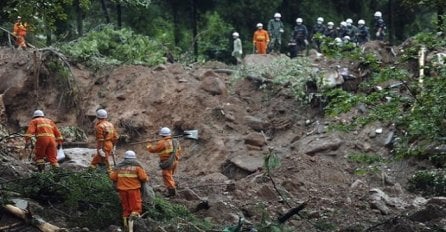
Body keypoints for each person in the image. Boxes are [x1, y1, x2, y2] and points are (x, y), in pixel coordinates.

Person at [109, 150, 149, 230]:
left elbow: (112, 177)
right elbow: (143, 178)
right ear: (134, 159)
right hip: (133, 191)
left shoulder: (119, 167)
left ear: (125, 158)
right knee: (135, 208)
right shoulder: (137, 167)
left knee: (126, 208)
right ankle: (133, 228)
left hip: (122, 191)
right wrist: (147, 177)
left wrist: (110, 171)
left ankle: (125, 226)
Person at [146, 127, 182, 197]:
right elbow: (179, 151)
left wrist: (148, 144)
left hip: (167, 162)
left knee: (167, 176)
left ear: (162, 135)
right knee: (170, 175)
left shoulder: (162, 143)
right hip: (175, 161)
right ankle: (172, 186)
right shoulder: (175, 141)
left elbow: (152, 150)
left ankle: (172, 192)